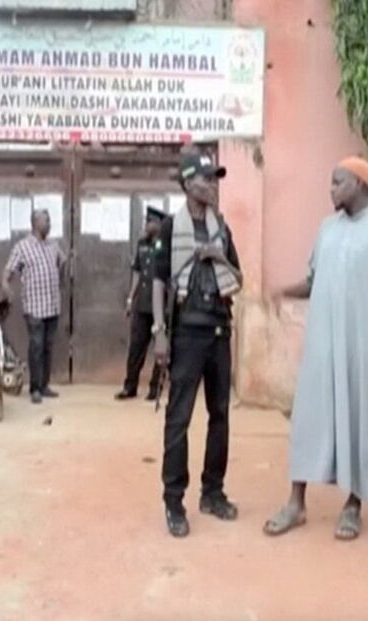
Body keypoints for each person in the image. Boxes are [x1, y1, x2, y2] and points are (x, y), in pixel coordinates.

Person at [263, 157, 368, 540]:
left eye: (337, 182)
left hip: (365, 346)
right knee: (308, 419)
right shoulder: (327, 228)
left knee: (361, 421)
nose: (330, 189)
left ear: (361, 185)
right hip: (322, 346)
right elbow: (315, 281)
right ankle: (296, 502)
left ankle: (353, 505)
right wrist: (284, 290)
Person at [152, 152, 243, 538]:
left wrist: (217, 254)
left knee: (219, 415)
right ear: (188, 184)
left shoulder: (222, 228)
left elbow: (239, 276)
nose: (213, 184)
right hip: (186, 331)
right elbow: (158, 280)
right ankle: (174, 501)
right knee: (179, 418)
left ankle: (213, 491)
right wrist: (159, 331)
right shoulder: (171, 229)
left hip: (219, 330)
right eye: (207, 178)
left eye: (215, 178)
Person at [2, 209, 66, 404]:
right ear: (35, 223)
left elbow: (62, 262)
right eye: (46, 220)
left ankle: (45, 385)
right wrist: (6, 288)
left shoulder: (53, 245)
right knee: (36, 346)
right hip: (35, 306)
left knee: (47, 346)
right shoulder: (22, 247)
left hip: (52, 305)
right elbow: (8, 272)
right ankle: (35, 388)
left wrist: (60, 274)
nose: (49, 224)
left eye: (49, 220)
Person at [115, 205, 167, 401]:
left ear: (158, 224)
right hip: (142, 304)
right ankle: (130, 386)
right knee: (136, 346)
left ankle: (155, 388)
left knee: (160, 348)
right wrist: (130, 298)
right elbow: (137, 272)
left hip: (160, 305)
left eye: (149, 221)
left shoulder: (166, 245)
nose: (145, 225)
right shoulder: (142, 244)